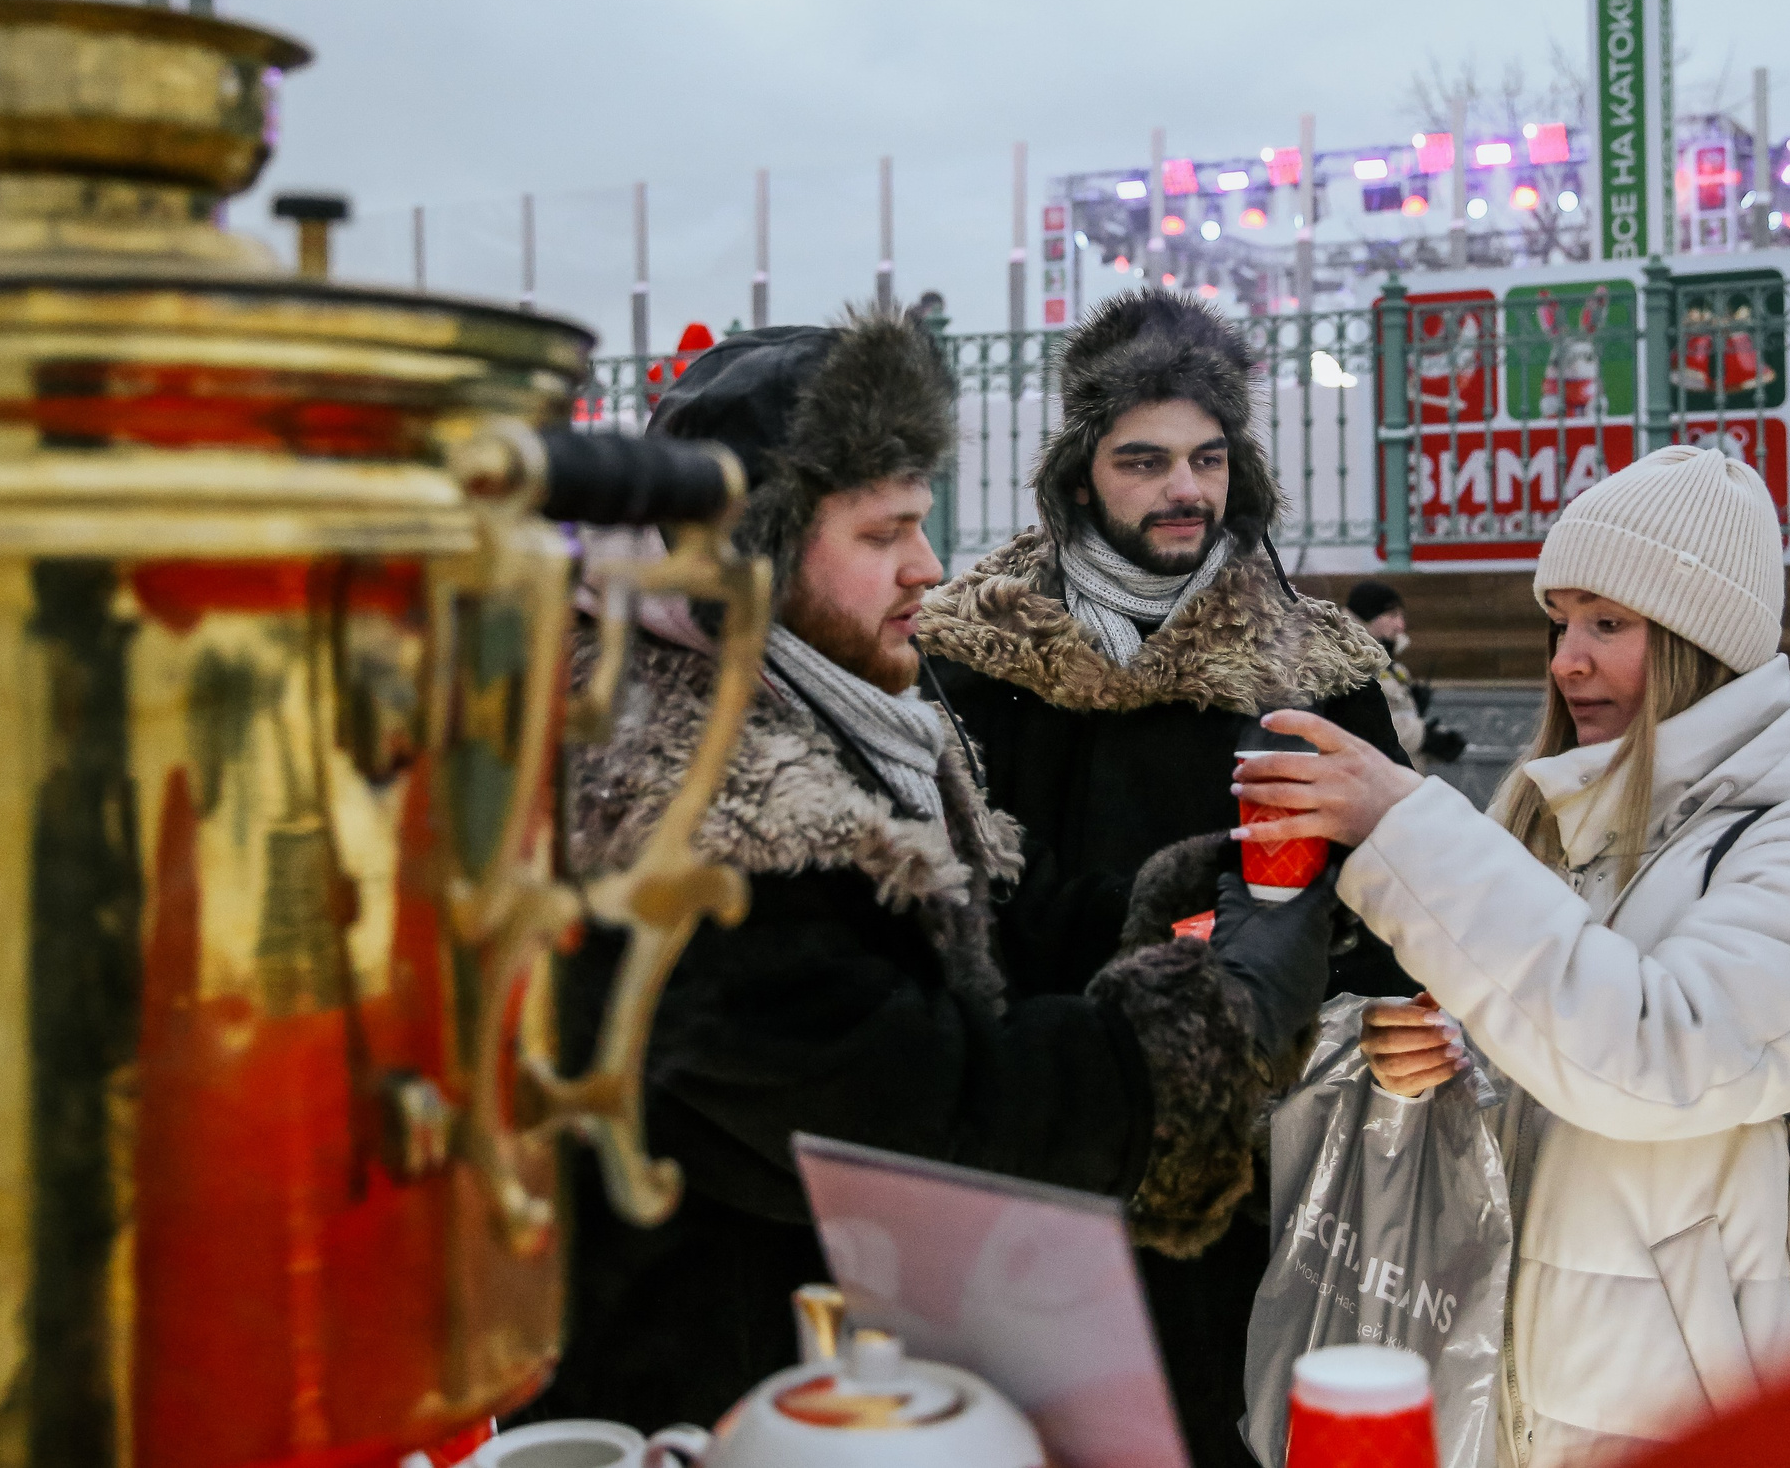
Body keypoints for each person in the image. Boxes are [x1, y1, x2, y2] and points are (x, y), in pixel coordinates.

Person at [532, 308, 1343, 1434]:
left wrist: (1174, 912)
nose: (926, 565)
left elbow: (978, 913)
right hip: (727, 1389)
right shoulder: (667, 809)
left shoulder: (821, 705)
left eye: (924, 524)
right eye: (882, 535)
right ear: (749, 555)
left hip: (851, 1352)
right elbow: (917, 1103)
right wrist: (1190, 1039)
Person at [1233, 445, 1790, 1466]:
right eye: (1559, 621)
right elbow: (1562, 1038)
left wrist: (1411, 828)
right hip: (1565, 1378)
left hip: (1736, 1387)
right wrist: (1445, 1054)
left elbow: (1661, 1057)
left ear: (1700, 638)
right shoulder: (1581, 812)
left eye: (1609, 623)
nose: (1566, 659)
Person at [918, 288, 1415, 1468]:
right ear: (1081, 474)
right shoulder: (971, 657)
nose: (1183, 489)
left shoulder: (1317, 669)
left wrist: (1383, 995)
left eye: (1206, 457)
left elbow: (1395, 901)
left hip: (1254, 1169)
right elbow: (944, 897)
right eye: (1142, 460)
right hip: (1038, 1146)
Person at [1344, 579, 1468, 771]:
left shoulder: (1393, 668)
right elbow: (1365, 725)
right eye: (1392, 615)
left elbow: (1395, 721)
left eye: (1402, 616)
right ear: (1369, 617)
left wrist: (1416, 711)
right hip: (1372, 785)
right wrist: (1425, 738)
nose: (1400, 625)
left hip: (1396, 780)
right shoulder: (1350, 663)